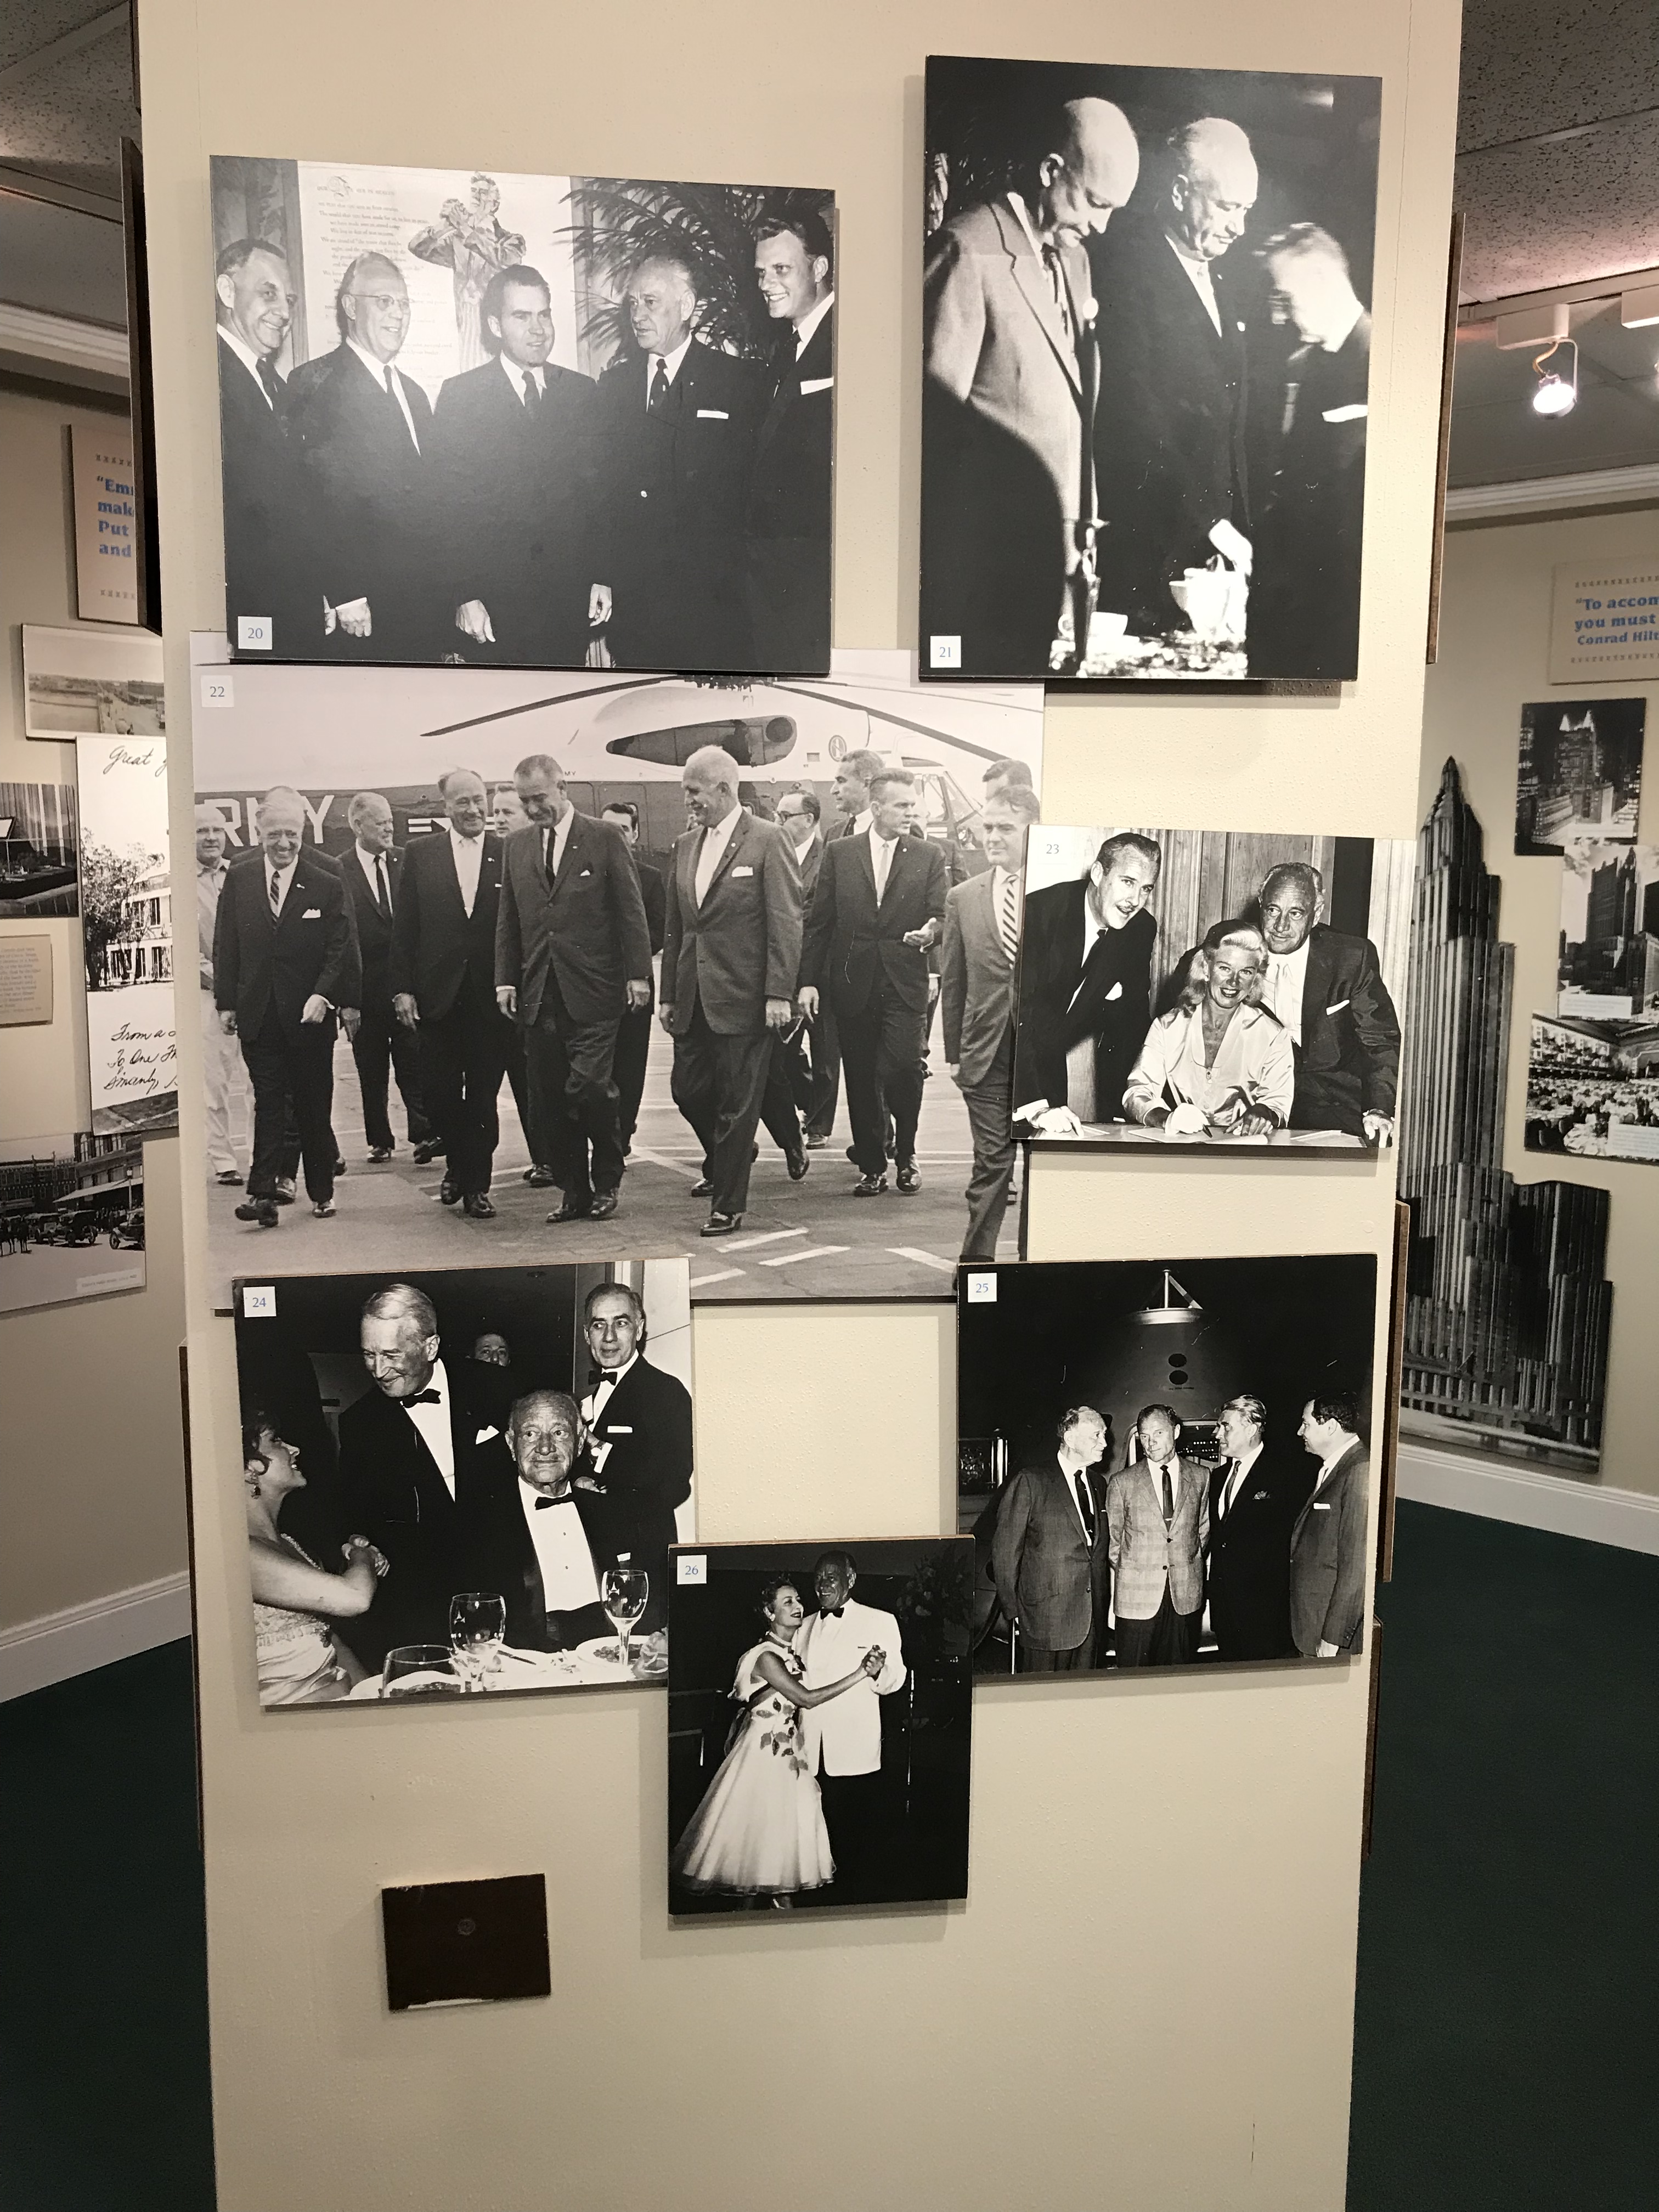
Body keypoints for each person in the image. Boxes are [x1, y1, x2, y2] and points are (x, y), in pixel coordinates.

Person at [923, 98, 1141, 674]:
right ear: (1050, 171)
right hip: (987, 567)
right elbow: (935, 434)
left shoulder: (1076, 262)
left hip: (1060, 561)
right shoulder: (967, 249)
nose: (1102, 225)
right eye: (1096, 202)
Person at [1093, 118, 1258, 639]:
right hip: (1150, 551)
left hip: (1216, 554)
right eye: (1227, 207)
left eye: (1247, 210)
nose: (1239, 228)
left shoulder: (1228, 281)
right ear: (1181, 192)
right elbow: (1130, 413)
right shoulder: (1123, 268)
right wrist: (1211, 523)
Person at [495, 755, 651, 1223]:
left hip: (595, 990)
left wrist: (638, 973)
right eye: (525, 801)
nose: (532, 809)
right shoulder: (517, 845)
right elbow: (509, 918)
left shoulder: (603, 838)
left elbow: (630, 909)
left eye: (539, 798)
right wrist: (506, 978)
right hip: (540, 993)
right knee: (550, 1099)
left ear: (562, 788)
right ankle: (574, 1191)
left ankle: (608, 1178)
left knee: (590, 1089)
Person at [671, 1575, 887, 1905]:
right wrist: (861, 1673)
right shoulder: (766, 1657)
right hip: (762, 1760)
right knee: (754, 1844)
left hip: (790, 1757)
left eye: (798, 1599)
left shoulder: (791, 1653)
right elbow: (807, 1699)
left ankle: (777, 1908)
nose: (798, 1606)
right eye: (788, 1602)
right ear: (769, 1613)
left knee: (778, 1845)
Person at [429, 262, 605, 667]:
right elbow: (445, 507)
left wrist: (603, 576)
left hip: (568, 606)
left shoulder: (582, 392)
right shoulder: (461, 397)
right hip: (494, 611)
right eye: (522, 316)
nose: (538, 329)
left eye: (544, 315)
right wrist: (465, 595)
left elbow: (599, 497)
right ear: (495, 325)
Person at [592, 253, 762, 669]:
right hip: (639, 613)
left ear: (686, 307)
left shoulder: (739, 381)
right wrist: (603, 575)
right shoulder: (614, 387)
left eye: (650, 302)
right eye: (633, 304)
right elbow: (603, 494)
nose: (637, 315)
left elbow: (755, 498)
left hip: (715, 610)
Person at [659, 747, 804, 1233]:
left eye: (694, 791)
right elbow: (677, 927)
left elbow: (786, 922)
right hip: (693, 996)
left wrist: (779, 993)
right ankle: (742, 1151)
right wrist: (668, 994)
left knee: (737, 1105)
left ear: (723, 789)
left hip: (746, 998)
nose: (688, 800)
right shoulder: (686, 844)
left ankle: (728, 1203)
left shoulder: (768, 840)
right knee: (687, 1091)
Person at [335, 1282, 512, 1671]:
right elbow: (352, 1512)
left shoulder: (498, 1388)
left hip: (507, 1595)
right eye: (368, 1355)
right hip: (419, 1613)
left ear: (430, 1347)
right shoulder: (359, 1424)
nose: (378, 1371)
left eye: (391, 1355)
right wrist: (356, 1541)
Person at [213, 785, 359, 1228]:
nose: (284, 843)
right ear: (259, 833)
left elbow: (340, 948)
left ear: (302, 834)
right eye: (275, 833)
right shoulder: (240, 878)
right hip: (259, 1014)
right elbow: (227, 943)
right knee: (269, 1102)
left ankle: (322, 1191)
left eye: (292, 834)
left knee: (313, 1106)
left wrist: (324, 996)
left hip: (309, 1017)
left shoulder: (325, 883)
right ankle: (263, 1194)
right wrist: (227, 1002)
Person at [799, 769, 946, 1197]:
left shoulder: (928, 855)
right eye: (902, 805)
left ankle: (907, 1153)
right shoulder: (840, 853)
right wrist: (808, 982)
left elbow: (941, 914)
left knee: (903, 1067)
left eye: (912, 805)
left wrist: (930, 933)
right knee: (861, 1077)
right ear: (877, 808)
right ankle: (872, 1165)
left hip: (904, 982)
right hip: (853, 983)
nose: (910, 812)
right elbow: (820, 922)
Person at [290, 252, 439, 662]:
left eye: (404, 303)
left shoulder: (415, 395)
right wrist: (346, 592)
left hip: (421, 606)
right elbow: (311, 498)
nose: (399, 314)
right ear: (351, 307)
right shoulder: (314, 383)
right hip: (361, 612)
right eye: (384, 301)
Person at [1247, 226, 1372, 681]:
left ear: (1320, 278)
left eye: (1285, 297)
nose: (1280, 315)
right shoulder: (1299, 366)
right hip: (1292, 604)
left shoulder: (1381, 359)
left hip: (1342, 608)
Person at [390, 770, 509, 1219]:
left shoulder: (507, 852)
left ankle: (475, 1185)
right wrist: (402, 988)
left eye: (479, 800)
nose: (474, 810)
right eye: (463, 802)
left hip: (489, 998)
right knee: (438, 1096)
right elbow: (405, 928)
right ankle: (459, 1164)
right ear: (446, 807)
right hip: (437, 996)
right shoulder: (421, 855)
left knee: (481, 1099)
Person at [941, 781, 1039, 1260]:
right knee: (992, 1162)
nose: (993, 837)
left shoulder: (1064, 893)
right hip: (986, 1054)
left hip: (1047, 1057)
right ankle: (977, 1264)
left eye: (1006, 828)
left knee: (1044, 1167)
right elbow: (954, 980)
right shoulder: (963, 897)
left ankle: (1037, 1265)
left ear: (1032, 831)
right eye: (988, 828)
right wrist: (954, 1054)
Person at [1013, 831, 1159, 1133]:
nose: (1135, 901)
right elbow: (1017, 1012)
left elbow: (1132, 1020)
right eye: (1127, 882)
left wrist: (1128, 1105)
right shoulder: (1038, 914)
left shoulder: (1140, 929)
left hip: (1048, 1058)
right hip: (1001, 1055)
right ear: (1098, 873)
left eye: (1146, 888)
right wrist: (1034, 1104)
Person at [215, 236, 315, 656]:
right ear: (227, 291)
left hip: (288, 614)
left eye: (289, 300)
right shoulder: (205, 373)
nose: (285, 313)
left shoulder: (278, 387)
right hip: (242, 618)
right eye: (268, 293)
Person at [1250, 862, 1398, 1142]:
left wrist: (1380, 1108)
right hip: (1260, 1102)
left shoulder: (1351, 956)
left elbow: (1380, 1041)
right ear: (1261, 903)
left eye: (1296, 913)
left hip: (1339, 1102)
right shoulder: (1235, 952)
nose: (1281, 926)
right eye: (1273, 910)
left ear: (1316, 913)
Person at [467, 1390, 624, 1654]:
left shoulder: (610, 1511)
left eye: (559, 1433)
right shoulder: (477, 1523)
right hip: (525, 1664)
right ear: (511, 1444)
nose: (545, 1447)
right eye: (530, 1434)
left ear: (580, 1442)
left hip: (607, 1655)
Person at [746, 211, 835, 670]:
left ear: (819, 269)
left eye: (781, 269)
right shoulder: (786, 348)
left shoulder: (849, 339)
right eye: (762, 272)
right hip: (779, 581)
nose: (766, 284)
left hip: (819, 581)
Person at [577, 1281, 693, 1634]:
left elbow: (674, 1480)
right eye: (599, 1324)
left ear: (639, 1329)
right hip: (589, 1563)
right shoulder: (584, 1399)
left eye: (621, 1323)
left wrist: (597, 1449)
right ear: (587, 1334)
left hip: (641, 1567)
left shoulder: (666, 1391)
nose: (609, 1336)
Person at [243, 1414, 383, 1703]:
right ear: (249, 1467)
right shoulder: (240, 1551)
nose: (294, 1449)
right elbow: (356, 1597)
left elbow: (328, 1640)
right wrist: (361, 1554)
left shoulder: (289, 1544)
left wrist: (377, 1697)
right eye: (276, 1441)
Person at [791, 1551, 907, 1892]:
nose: (823, 1584)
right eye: (819, 1578)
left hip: (854, 1753)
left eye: (832, 1577)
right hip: (808, 1753)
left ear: (851, 1580)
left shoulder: (880, 1621)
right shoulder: (803, 1626)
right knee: (812, 1839)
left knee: (853, 1841)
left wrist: (878, 1672)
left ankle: (853, 1899)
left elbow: (896, 1679)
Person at [1124, 922, 1294, 1137]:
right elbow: (1138, 1092)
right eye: (1225, 968)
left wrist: (1264, 1112)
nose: (1234, 982)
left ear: (1255, 979)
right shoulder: (1167, 1027)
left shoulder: (1273, 1035)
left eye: (1246, 972)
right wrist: (1168, 1119)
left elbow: (1278, 1103)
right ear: (1206, 968)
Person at [340, 791, 433, 1164]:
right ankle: (379, 1140)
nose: (388, 828)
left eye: (390, 821)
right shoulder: (340, 869)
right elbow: (340, 939)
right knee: (371, 1070)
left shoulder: (405, 861)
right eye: (380, 822)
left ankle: (424, 1134)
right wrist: (347, 1000)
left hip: (404, 985)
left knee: (414, 1062)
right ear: (357, 825)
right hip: (363, 991)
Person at [991, 1406, 1111, 1672]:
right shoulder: (1031, 1481)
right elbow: (1005, 1552)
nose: (1104, 1443)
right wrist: (1015, 1612)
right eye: (1097, 1435)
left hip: (1091, 1620)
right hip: (1045, 1621)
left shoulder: (1098, 1484)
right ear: (1070, 1439)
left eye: (1104, 1435)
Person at [1205, 1395, 1314, 1662]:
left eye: (1225, 1426)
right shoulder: (1218, 1478)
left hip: (1265, 1615)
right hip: (1226, 1610)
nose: (1217, 1433)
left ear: (1251, 1429)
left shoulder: (1287, 1474)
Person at [1107, 1404, 1208, 1668]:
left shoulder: (1201, 1477)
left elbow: (1202, 1531)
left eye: (1158, 1433)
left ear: (1176, 1432)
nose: (1150, 1443)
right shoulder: (1122, 1482)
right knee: (1134, 1678)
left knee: (1178, 1678)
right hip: (1137, 1600)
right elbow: (1115, 1542)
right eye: (1144, 1436)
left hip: (1184, 1597)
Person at [408, 174, 526, 373]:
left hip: (494, 324)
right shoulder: (458, 239)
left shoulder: (510, 240)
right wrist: (446, 225)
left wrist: (464, 227)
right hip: (465, 321)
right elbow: (418, 248)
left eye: (484, 193)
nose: (477, 196)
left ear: (495, 204)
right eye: (474, 192)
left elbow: (504, 260)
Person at [600, 801, 666, 1155]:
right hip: (593, 985)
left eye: (623, 829)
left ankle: (623, 1132)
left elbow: (658, 930)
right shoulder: (587, 873)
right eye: (608, 829)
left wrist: (625, 955)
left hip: (634, 984)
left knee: (630, 1066)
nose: (615, 836)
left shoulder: (650, 878)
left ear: (635, 834)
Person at [774, 789, 837, 1144]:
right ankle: (807, 1100)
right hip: (783, 968)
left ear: (809, 820)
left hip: (821, 968)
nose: (777, 822)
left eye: (785, 816)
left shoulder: (830, 858)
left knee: (825, 1051)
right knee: (783, 1052)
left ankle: (818, 1125)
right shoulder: (774, 852)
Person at [1289, 1393, 1369, 1658]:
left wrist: (1333, 1638)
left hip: (1331, 1638)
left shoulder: (1360, 1470)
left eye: (1306, 1424)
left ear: (1331, 1426)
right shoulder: (1334, 1468)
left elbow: (1358, 1565)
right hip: (1313, 1625)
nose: (1300, 1432)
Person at [195, 807, 243, 1185]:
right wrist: (223, 982)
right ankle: (223, 1160)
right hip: (208, 994)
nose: (211, 837)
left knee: (265, 1082)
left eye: (217, 830)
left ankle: (269, 1158)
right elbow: (183, 946)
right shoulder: (179, 883)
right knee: (214, 1083)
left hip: (252, 992)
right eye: (202, 831)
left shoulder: (241, 874)